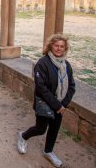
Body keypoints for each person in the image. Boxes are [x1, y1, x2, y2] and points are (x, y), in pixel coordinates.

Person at [17, 34, 76, 167]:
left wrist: (64, 104)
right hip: (45, 103)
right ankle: (23, 136)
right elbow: (41, 88)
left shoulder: (67, 65)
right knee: (40, 129)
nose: (59, 49)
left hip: (60, 105)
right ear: (51, 46)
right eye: (56, 46)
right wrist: (57, 105)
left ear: (65, 48)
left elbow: (72, 86)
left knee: (54, 129)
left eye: (62, 46)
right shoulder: (42, 63)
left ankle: (48, 151)